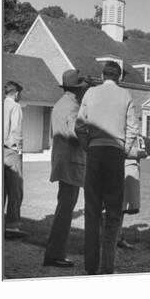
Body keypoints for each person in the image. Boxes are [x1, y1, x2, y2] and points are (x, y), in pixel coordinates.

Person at [75, 61, 139, 275]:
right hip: (114, 154)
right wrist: (123, 149)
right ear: (119, 77)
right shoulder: (126, 95)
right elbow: (132, 128)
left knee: (92, 211)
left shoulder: (90, 93)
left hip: (94, 152)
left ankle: (91, 267)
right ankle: (107, 266)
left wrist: (88, 147)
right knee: (113, 212)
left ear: (103, 75)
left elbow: (80, 126)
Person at [43, 70, 88, 268]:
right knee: (64, 212)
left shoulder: (60, 104)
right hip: (71, 165)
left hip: (63, 163)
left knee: (63, 209)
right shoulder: (73, 107)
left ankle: (54, 253)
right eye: (82, 88)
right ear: (77, 89)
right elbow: (74, 135)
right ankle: (55, 255)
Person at [3, 81, 28, 238]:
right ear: (17, 93)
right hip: (11, 150)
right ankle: (12, 227)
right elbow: (16, 131)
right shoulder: (15, 107)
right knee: (15, 189)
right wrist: (18, 149)